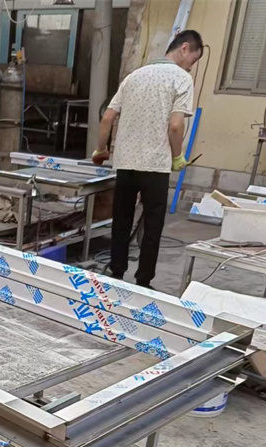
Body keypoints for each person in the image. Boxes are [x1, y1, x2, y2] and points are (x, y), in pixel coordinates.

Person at [91, 30, 203, 289]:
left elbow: (107, 118)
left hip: (126, 163)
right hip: (155, 166)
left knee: (121, 220)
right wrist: (177, 156)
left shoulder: (134, 76)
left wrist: (100, 150)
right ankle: (143, 281)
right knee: (152, 225)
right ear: (184, 48)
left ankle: (117, 273)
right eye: (194, 59)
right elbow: (175, 125)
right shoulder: (181, 79)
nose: (191, 65)